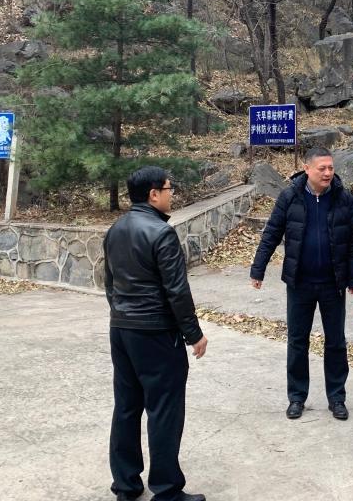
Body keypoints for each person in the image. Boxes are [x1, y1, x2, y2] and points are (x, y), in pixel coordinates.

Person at [103, 166, 208, 501]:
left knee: (126, 407)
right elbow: (177, 291)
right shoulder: (162, 233)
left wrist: (122, 314)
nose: (171, 194)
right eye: (168, 188)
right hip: (156, 334)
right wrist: (194, 334)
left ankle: (126, 486)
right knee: (164, 410)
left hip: (122, 330)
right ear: (153, 194)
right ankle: (166, 489)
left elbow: (109, 283)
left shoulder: (115, 229)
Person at [250, 145, 353, 420]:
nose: (327, 173)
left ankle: (337, 398)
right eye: (322, 168)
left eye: (331, 168)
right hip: (299, 282)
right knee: (297, 341)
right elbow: (272, 233)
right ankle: (297, 397)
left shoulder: (344, 198)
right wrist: (258, 269)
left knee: (336, 342)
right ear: (307, 169)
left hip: (332, 283)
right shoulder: (290, 196)